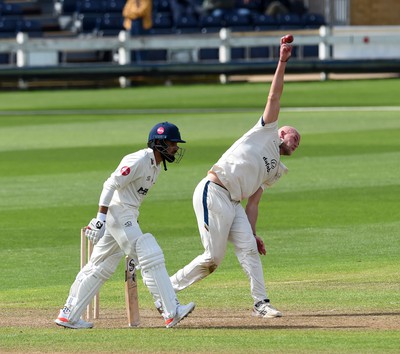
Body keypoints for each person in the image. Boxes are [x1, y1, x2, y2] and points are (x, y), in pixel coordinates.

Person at [168, 35, 301, 318]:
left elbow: (253, 203)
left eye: (298, 142)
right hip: (214, 190)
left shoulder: (276, 169)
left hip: (234, 203)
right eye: (293, 135)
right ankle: (167, 289)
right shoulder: (265, 131)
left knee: (249, 249)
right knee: (213, 259)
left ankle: (260, 303)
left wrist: (252, 234)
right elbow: (273, 96)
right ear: (280, 133)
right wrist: (282, 61)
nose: (296, 141)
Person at [55, 122, 195, 329]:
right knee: (148, 253)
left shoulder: (155, 166)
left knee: (100, 266)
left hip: (124, 216)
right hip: (118, 214)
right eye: (172, 143)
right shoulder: (138, 159)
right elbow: (110, 183)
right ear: (158, 143)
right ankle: (170, 310)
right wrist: (100, 218)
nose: (175, 147)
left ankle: (69, 314)